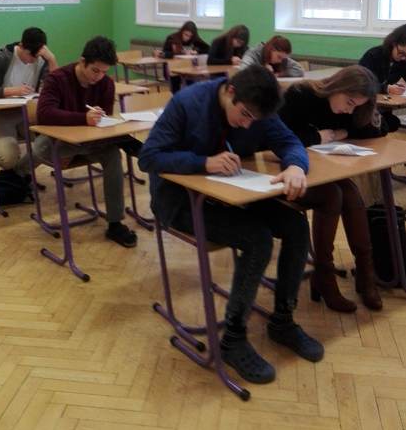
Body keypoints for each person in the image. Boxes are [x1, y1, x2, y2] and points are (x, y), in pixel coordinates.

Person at [138, 64, 324, 385]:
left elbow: (289, 142)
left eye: (256, 119)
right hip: (180, 201)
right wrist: (203, 163)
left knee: (295, 225)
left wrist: (296, 166)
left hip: (234, 193)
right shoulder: (187, 103)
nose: (249, 123)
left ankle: (282, 320)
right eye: (245, 115)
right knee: (257, 239)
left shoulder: (258, 107)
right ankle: (233, 339)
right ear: (230, 91)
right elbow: (149, 157)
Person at [279, 66, 386, 312]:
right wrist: (318, 137)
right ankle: (324, 274)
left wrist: (342, 131)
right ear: (337, 86)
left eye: (356, 106)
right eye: (349, 102)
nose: (349, 110)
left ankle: (365, 273)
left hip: (323, 169)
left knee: (352, 195)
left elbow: (374, 130)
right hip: (288, 170)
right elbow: (280, 135)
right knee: (334, 195)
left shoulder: (353, 109)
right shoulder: (300, 95)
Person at [17, 36, 138, 248]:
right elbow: (45, 114)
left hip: (87, 142)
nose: (99, 77)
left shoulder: (105, 84)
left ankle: (115, 223)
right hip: (58, 142)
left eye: (104, 72)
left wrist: (97, 121)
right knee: (41, 147)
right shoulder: (57, 79)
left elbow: (103, 123)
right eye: (95, 70)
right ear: (82, 61)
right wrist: (83, 118)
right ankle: (19, 172)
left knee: (112, 154)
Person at [0, 27, 58, 170]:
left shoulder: (42, 58)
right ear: (21, 46)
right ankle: (16, 174)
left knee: (52, 147)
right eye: (30, 55)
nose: (33, 60)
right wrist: (8, 91)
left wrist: (52, 60)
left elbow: (57, 88)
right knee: (8, 159)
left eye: (37, 57)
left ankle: (18, 174)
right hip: (0, 114)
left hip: (29, 113)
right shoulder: (1, 57)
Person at [359, 24, 406, 131]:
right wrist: (386, 88)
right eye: (401, 53)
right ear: (393, 43)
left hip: (382, 108)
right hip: (363, 106)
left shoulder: (403, 60)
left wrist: (399, 87)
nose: (403, 58)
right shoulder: (373, 55)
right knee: (388, 124)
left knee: (393, 123)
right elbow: (362, 84)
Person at [161, 20, 210, 93]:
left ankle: (189, 96)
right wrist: (178, 54)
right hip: (173, 68)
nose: (187, 38)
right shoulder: (172, 38)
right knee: (176, 85)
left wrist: (196, 51)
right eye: (186, 35)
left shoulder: (194, 39)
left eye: (190, 36)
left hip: (188, 68)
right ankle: (177, 97)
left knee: (193, 81)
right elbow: (164, 53)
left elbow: (208, 49)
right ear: (182, 31)